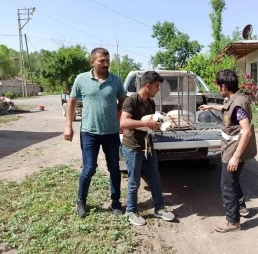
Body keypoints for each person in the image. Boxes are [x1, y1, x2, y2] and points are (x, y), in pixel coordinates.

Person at [63, 47, 126, 218]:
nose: (106, 64)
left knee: (114, 168)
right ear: (92, 62)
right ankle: (81, 201)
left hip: (111, 132)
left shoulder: (116, 80)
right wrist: (68, 126)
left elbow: (122, 100)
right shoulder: (81, 79)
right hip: (89, 132)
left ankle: (116, 203)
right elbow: (71, 102)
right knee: (89, 168)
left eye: (108, 61)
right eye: (102, 61)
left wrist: (116, 115)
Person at [199, 69, 257, 233]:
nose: (217, 88)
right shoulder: (234, 98)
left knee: (227, 185)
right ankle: (241, 207)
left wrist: (235, 157)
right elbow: (227, 108)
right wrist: (210, 106)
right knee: (233, 180)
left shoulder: (238, 104)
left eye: (218, 86)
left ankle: (233, 221)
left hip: (234, 151)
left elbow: (246, 131)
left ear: (224, 86)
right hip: (231, 148)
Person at [120, 71, 175, 226]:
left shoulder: (150, 102)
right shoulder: (131, 101)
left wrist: (159, 126)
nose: (158, 89)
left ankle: (159, 209)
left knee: (155, 178)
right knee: (134, 181)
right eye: (157, 86)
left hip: (148, 146)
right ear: (148, 85)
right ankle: (131, 211)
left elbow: (150, 125)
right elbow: (123, 123)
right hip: (133, 147)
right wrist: (145, 124)